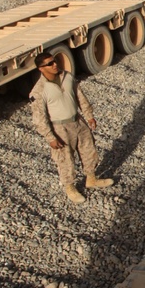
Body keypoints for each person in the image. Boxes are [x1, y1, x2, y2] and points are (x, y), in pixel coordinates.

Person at [30, 51, 114, 204]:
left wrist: (88, 115)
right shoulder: (38, 90)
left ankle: (91, 179)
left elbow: (79, 96)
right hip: (60, 128)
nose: (55, 65)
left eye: (54, 61)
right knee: (65, 159)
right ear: (41, 69)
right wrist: (50, 137)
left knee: (89, 150)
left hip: (78, 121)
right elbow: (39, 117)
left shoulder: (67, 76)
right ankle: (70, 187)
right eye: (49, 63)